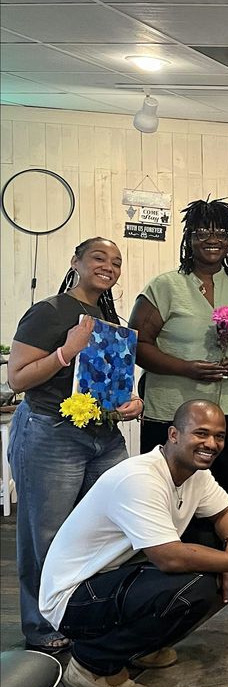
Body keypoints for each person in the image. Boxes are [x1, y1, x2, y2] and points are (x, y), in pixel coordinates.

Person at [39, 400, 228, 687]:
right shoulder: (140, 478)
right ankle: (92, 664)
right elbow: (170, 557)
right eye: (201, 433)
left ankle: (141, 646)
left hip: (111, 578)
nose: (211, 444)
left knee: (215, 564)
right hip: (72, 599)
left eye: (219, 436)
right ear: (173, 435)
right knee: (196, 587)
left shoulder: (194, 473)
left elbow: (227, 511)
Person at [7, 237, 143, 654]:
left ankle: (88, 612)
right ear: (75, 262)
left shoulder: (109, 318)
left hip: (103, 435)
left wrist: (130, 402)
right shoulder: (49, 311)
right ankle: (41, 624)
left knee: (109, 526)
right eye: (98, 258)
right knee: (44, 535)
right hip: (51, 432)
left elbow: (106, 380)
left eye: (116, 262)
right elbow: (17, 378)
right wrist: (66, 352)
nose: (108, 267)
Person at [130, 199, 228, 537]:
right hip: (174, 408)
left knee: (227, 486)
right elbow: (137, 345)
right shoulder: (164, 286)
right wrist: (185, 368)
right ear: (189, 238)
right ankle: (169, 558)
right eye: (202, 233)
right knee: (168, 491)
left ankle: (227, 555)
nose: (213, 240)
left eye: (221, 233)